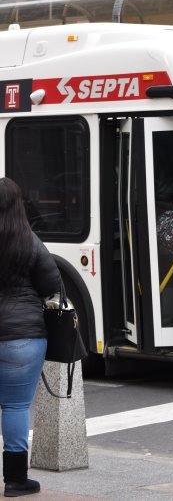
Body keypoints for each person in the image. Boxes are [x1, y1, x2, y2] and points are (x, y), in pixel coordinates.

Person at [0, 177, 62, 497]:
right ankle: (15, 480)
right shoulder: (29, 240)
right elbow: (51, 282)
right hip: (22, 337)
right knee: (14, 407)